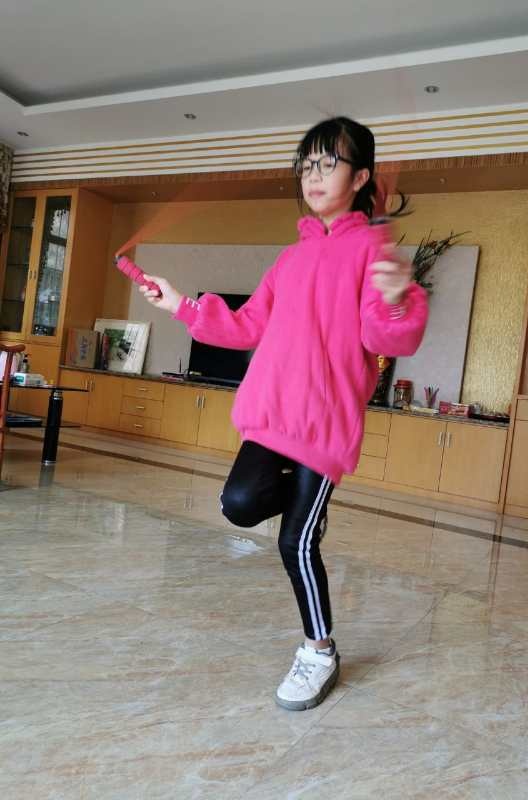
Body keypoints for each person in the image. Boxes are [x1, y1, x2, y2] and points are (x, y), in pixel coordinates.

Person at [138, 116, 428, 711]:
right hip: (271, 415)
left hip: (322, 426)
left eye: (329, 163)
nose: (314, 175)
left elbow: (387, 338)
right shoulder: (289, 260)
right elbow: (245, 326)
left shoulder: (372, 251)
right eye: (307, 165)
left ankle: (319, 651)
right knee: (238, 504)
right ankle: (307, 500)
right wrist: (180, 304)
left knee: (296, 543)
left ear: (361, 178)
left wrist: (398, 297)